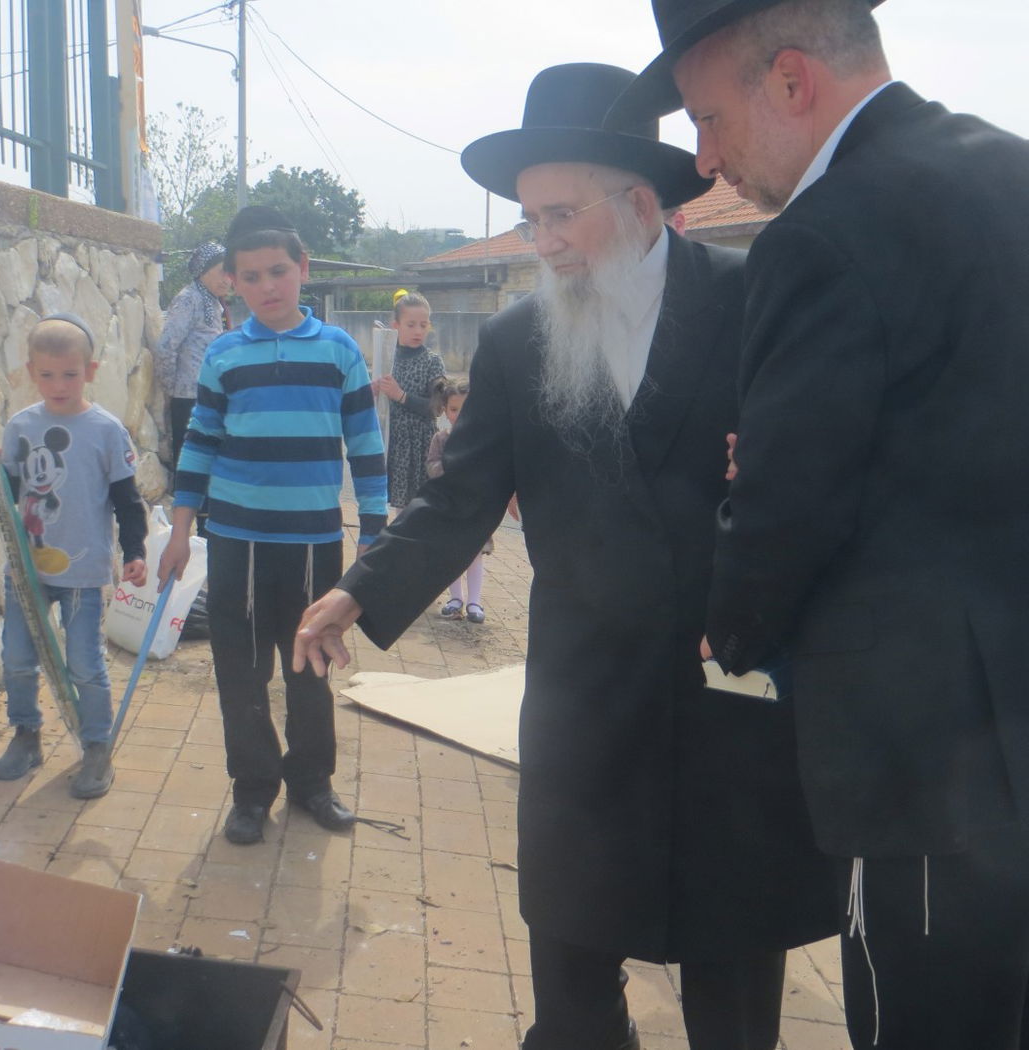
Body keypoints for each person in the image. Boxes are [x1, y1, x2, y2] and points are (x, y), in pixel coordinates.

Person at [294, 64, 837, 1050]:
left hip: (731, 697)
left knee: (733, 991)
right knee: (574, 986)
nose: (539, 243)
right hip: (585, 704)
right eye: (527, 218)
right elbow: (461, 496)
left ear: (636, 202)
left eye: (558, 216)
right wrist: (357, 588)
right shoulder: (515, 340)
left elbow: (821, 468)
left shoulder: (752, 300)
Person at [612, 1, 1029, 1046]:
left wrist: (730, 632)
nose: (704, 161)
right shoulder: (1012, 170)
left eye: (707, 119)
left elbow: (783, 511)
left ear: (790, 81)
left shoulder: (821, 234)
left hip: (928, 765)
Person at [157, 205, 388, 846]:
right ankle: (253, 791)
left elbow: (365, 443)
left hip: (314, 543)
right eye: (251, 276)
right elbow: (198, 444)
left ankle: (313, 784)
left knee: (309, 666)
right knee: (241, 668)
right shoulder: (224, 355)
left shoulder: (339, 351)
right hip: (238, 541)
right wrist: (180, 530)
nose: (267, 286)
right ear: (232, 281)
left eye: (278, 271)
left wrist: (373, 529)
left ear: (303, 270)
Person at [0, 313, 148, 799]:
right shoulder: (21, 425)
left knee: (85, 664)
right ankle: (26, 735)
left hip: (83, 570)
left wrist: (133, 552)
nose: (58, 384)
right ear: (32, 371)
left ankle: (96, 747)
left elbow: (127, 500)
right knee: (17, 658)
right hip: (27, 568)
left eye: (70, 374)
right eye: (47, 375)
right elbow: (8, 490)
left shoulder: (106, 430)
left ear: (90, 371)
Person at [153, 240, 233, 536]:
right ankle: (200, 539)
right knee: (195, 470)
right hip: (189, 398)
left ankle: (211, 536)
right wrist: (172, 387)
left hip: (211, 398)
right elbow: (167, 345)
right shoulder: (189, 299)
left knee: (214, 470)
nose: (229, 278)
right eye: (223, 271)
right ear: (203, 272)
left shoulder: (213, 302)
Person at [425, 375, 490, 624]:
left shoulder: (481, 440)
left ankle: (474, 601)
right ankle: (455, 599)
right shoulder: (440, 439)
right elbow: (432, 465)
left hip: (474, 507)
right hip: (449, 506)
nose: (458, 415)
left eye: (465, 409)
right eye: (453, 409)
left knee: (474, 555)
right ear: (445, 409)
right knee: (452, 554)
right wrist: (448, 472)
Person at [374, 291, 445, 510]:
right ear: (396, 325)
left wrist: (401, 396)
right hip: (392, 441)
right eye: (411, 324)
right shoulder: (385, 360)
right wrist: (372, 391)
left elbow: (437, 408)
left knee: (421, 508)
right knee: (397, 506)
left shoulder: (433, 362)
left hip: (422, 445)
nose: (418, 331)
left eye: (423, 325)